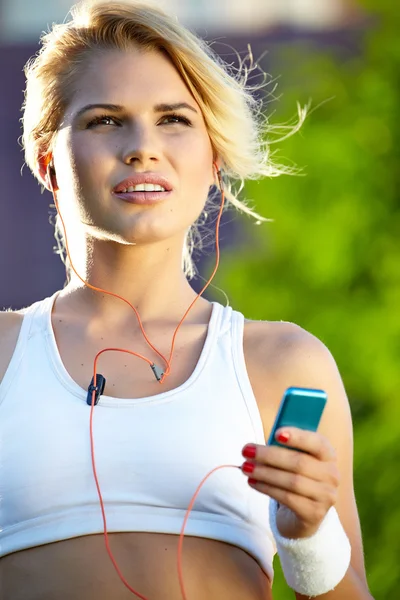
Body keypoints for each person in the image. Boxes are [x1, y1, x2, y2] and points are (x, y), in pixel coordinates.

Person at [0, 1, 373, 599]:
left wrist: (307, 535)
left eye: (174, 118)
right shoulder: (3, 352)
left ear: (214, 159)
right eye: (104, 120)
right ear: (48, 161)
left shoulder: (283, 362)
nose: (143, 147)